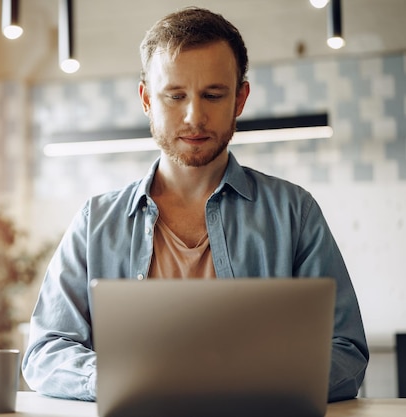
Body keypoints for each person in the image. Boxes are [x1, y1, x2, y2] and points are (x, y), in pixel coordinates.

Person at [21, 7, 368, 403]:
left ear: (240, 99)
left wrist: (253, 381)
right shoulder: (95, 222)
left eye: (213, 95)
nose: (194, 116)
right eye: (175, 96)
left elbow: (348, 353)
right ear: (147, 99)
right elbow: (45, 351)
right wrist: (117, 377)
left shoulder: (295, 213)